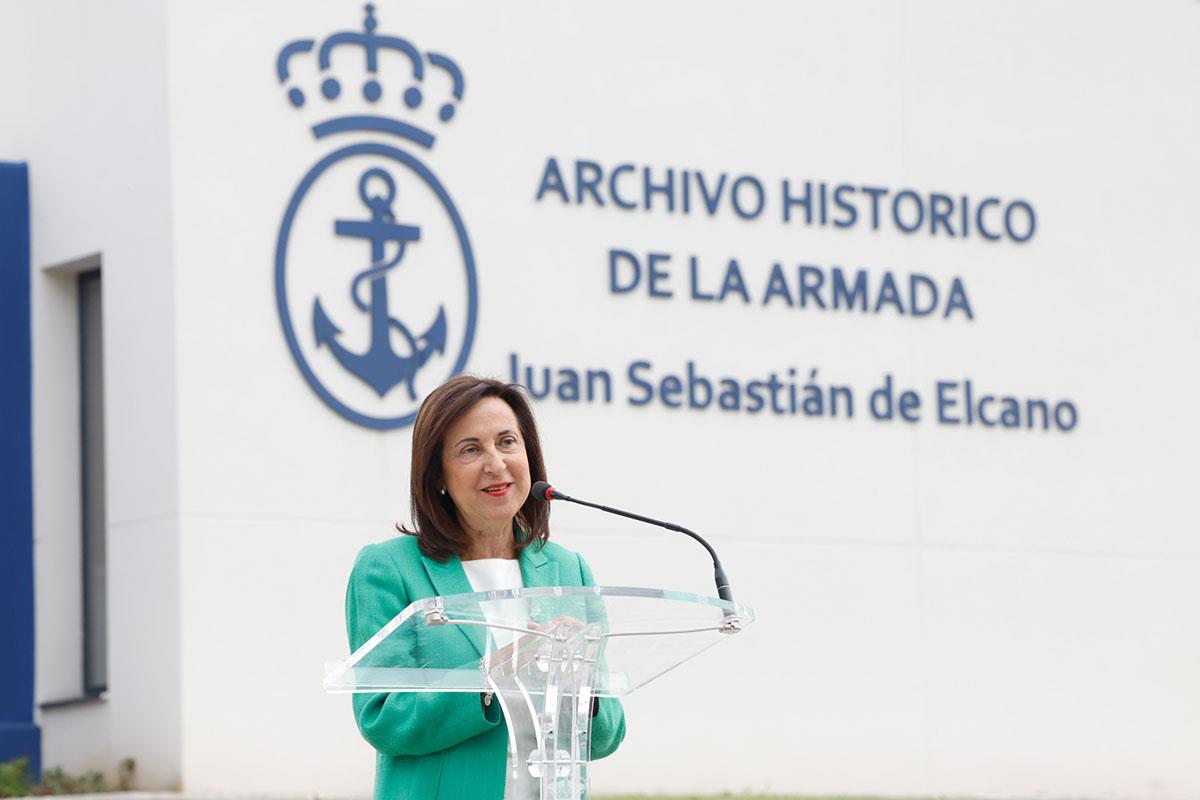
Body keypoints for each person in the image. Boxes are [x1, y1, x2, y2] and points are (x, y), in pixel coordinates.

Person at [345, 375, 626, 800]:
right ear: (438, 475)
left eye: (507, 442)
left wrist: (580, 682)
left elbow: (605, 736)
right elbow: (383, 718)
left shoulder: (570, 571)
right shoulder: (388, 569)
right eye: (470, 449)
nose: (495, 463)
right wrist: (496, 674)